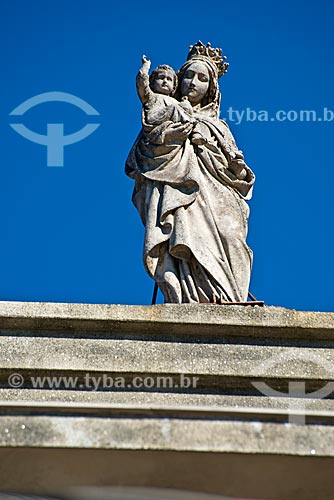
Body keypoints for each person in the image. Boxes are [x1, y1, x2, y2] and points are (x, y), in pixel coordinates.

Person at [126, 42, 255, 303]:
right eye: (188, 75)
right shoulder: (167, 114)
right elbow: (143, 157)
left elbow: (239, 173)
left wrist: (224, 157)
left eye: (202, 78)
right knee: (186, 239)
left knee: (232, 237)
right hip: (180, 188)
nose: (193, 82)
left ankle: (233, 298)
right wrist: (175, 135)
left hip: (219, 192)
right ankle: (191, 296)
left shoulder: (218, 126)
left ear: (211, 88)